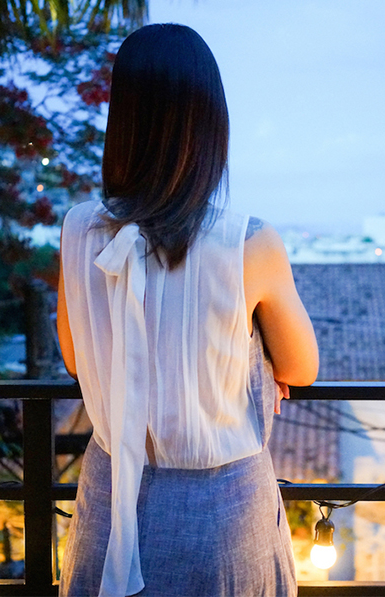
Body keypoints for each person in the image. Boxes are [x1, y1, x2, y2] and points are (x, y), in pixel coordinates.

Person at [56, 24, 318, 597]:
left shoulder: (78, 230)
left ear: (121, 124)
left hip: (108, 501)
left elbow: (76, 360)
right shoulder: (249, 243)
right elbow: (301, 368)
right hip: (221, 517)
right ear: (209, 128)